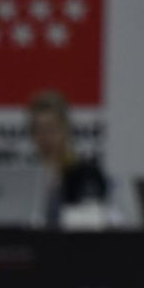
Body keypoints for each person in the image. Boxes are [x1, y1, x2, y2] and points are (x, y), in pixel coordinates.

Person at [27, 90, 110, 227]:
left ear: (65, 129)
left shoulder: (87, 174)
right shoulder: (25, 179)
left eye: (51, 129)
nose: (45, 137)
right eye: (38, 130)